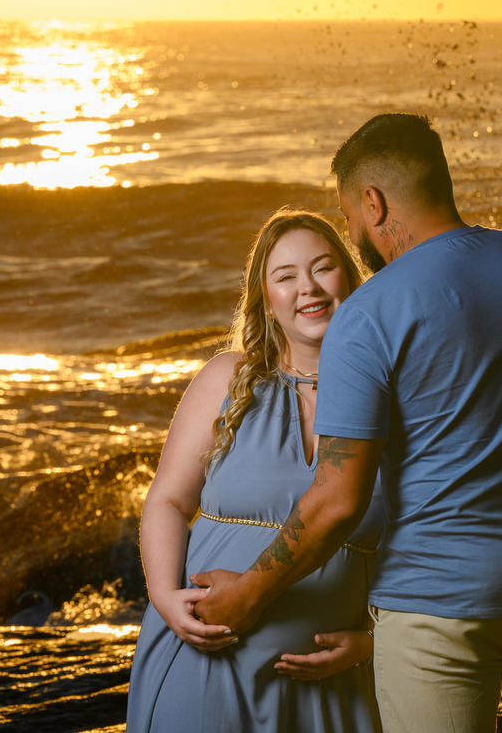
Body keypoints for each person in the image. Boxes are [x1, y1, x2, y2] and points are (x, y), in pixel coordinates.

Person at [193, 113, 502, 733]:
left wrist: (245, 597)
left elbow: (335, 501)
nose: (354, 233)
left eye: (348, 217)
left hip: (433, 603)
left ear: (371, 203)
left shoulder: (371, 311)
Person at [125, 208, 385, 732]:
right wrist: (163, 598)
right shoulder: (228, 379)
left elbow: (425, 539)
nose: (307, 288)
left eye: (323, 267)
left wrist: (377, 644)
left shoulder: (395, 397)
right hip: (205, 661)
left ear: (351, 279)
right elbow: (169, 501)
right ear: (266, 300)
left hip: (330, 685)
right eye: (285, 277)